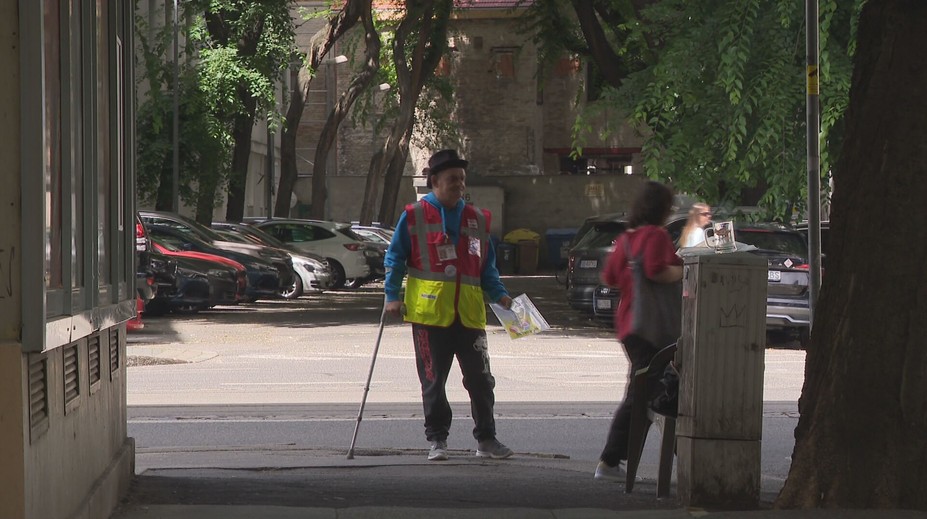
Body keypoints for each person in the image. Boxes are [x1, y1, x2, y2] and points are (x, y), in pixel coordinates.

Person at [384, 149, 515, 462]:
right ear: (434, 181)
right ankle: (438, 440)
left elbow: (487, 268)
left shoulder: (478, 219)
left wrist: (500, 295)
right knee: (433, 380)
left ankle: (486, 439)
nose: (459, 184)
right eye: (452, 179)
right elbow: (394, 257)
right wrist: (392, 295)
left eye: (462, 179)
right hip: (430, 316)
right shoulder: (414, 215)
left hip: (469, 316)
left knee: (481, 380)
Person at [594, 181, 684, 482]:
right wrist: (685, 271)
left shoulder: (626, 239)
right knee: (648, 393)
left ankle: (621, 459)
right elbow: (657, 270)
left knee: (649, 390)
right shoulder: (657, 235)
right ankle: (610, 460)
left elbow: (610, 276)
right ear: (662, 210)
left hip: (629, 325)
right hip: (651, 327)